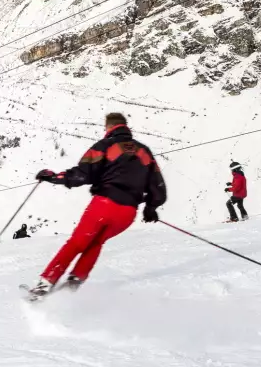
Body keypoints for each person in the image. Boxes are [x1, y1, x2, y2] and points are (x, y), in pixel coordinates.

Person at [28, 112, 166, 297]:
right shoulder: (144, 151)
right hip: (127, 213)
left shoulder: (105, 146)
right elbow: (157, 185)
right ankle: (74, 283)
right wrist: (151, 207)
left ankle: (44, 285)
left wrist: (53, 177)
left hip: (104, 204)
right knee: (96, 242)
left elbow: (82, 175)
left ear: (108, 128)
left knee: (77, 243)